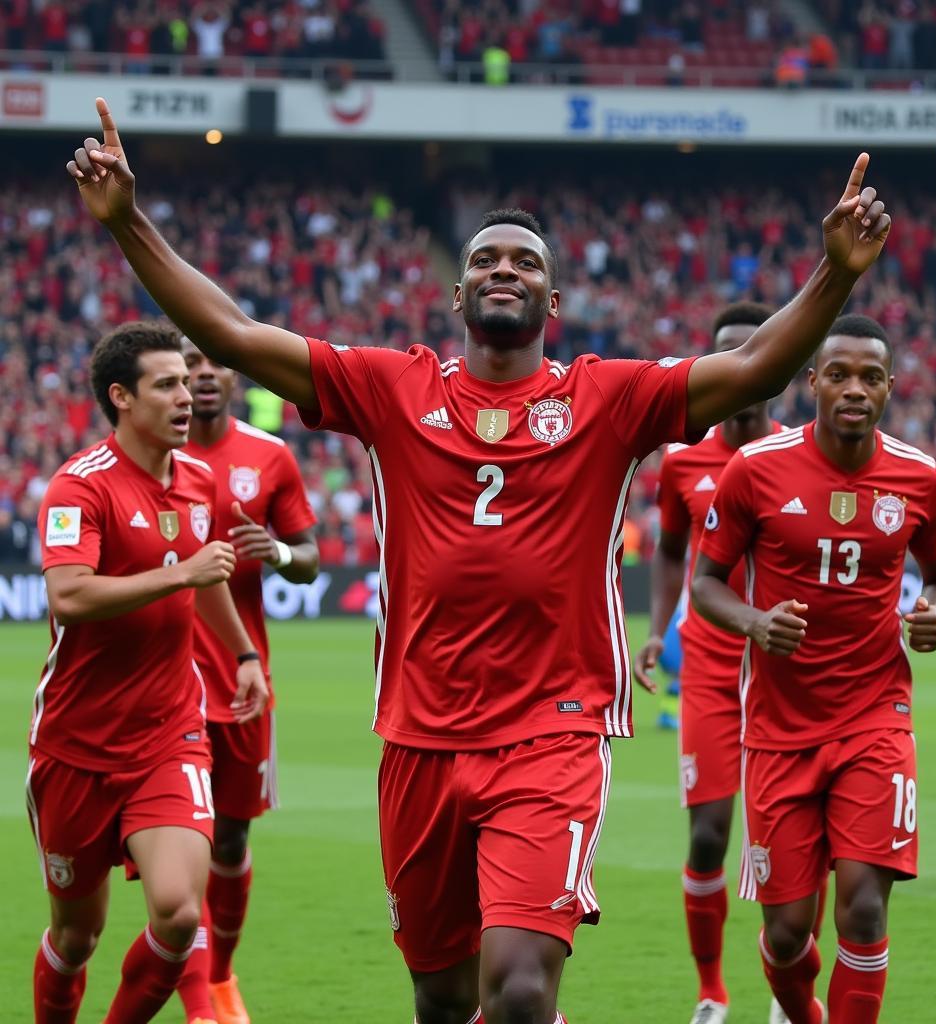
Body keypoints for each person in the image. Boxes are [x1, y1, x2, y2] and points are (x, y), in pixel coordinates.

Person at [66, 99, 891, 1024]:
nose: (505, 270)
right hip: (419, 736)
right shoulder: (389, 386)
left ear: (553, 301)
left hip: (553, 730)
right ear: (458, 297)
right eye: (486, 261)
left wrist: (834, 273)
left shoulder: (606, 399)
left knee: (523, 989)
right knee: (444, 1000)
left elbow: (754, 373)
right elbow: (232, 335)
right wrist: (129, 222)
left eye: (526, 263)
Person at [691, 315, 936, 1024]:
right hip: (779, 728)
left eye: (871, 377)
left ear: (891, 388)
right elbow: (706, 583)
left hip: (877, 716)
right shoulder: (754, 470)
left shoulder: (920, 476)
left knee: (865, 909)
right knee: (787, 936)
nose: (854, 389)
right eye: (838, 373)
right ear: (811, 381)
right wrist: (755, 622)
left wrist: (934, 611)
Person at [27, 321, 268, 1024]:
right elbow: (69, 596)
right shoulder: (79, 486)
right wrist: (181, 574)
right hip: (74, 744)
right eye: (166, 383)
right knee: (77, 937)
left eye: (188, 380)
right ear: (122, 398)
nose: (188, 393)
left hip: (169, 736)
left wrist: (245, 653)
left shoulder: (198, 482)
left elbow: (209, 575)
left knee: (176, 912)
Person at [634, 300, 805, 1024]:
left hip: (785, 667)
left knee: (789, 841)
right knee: (708, 833)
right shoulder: (682, 460)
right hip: (707, 659)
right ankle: (711, 990)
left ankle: (785, 986)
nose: (745, 367)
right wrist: (658, 625)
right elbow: (672, 553)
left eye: (755, 353)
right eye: (730, 353)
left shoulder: (801, 452)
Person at [177, 340, 319, 1023]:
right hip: (165, 684)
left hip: (242, 679)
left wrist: (282, 551)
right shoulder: (152, 455)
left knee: (230, 840)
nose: (205, 374)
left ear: (233, 373)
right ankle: (198, 999)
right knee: (184, 842)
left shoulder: (269, 457)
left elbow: (311, 559)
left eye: (215, 363)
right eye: (191, 363)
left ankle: (222, 976)